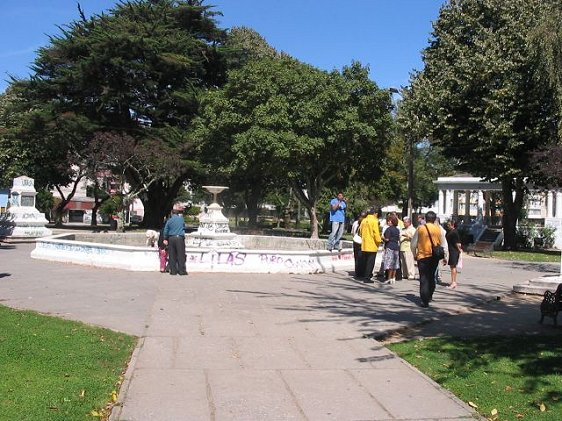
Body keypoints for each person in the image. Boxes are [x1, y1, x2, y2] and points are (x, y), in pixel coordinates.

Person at [411, 211, 447, 307]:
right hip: (434, 256)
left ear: (426, 219)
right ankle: (430, 295)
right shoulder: (438, 229)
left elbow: (413, 244)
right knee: (431, 276)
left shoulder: (420, 228)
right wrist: (445, 256)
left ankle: (424, 299)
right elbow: (443, 243)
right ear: (434, 219)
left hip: (423, 256)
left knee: (423, 278)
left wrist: (414, 254)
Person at [359, 207, 382, 283]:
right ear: (375, 213)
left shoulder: (364, 220)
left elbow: (360, 232)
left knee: (365, 261)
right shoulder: (374, 221)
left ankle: (365, 275)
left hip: (364, 243)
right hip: (372, 244)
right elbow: (376, 233)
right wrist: (379, 241)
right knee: (370, 262)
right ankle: (367, 277)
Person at [163, 206, 187, 276]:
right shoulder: (181, 219)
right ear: (177, 213)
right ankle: (181, 271)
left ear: (171, 213)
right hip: (179, 238)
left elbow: (166, 230)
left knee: (172, 255)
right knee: (181, 255)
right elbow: (183, 227)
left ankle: (173, 271)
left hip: (171, 238)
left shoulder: (169, 220)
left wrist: (165, 238)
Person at [382, 214, 400, 284]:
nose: (388, 222)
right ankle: (393, 277)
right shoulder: (397, 230)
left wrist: (382, 238)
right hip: (396, 247)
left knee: (389, 264)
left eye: (389, 221)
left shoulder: (388, 229)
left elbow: (387, 239)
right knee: (395, 264)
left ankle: (388, 278)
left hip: (389, 247)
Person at [445, 219, 463, 289]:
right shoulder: (450, 232)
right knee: (452, 266)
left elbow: (457, 243)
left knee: (453, 267)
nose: (448, 226)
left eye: (449, 225)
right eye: (447, 224)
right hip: (451, 250)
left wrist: (459, 250)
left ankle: (453, 282)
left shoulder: (454, 232)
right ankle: (453, 281)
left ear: (453, 225)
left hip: (454, 251)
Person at [351, 211, 367, 278]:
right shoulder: (364, 223)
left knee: (356, 257)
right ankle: (361, 273)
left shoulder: (355, 223)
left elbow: (352, 232)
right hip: (361, 242)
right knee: (361, 258)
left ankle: (357, 272)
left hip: (355, 241)